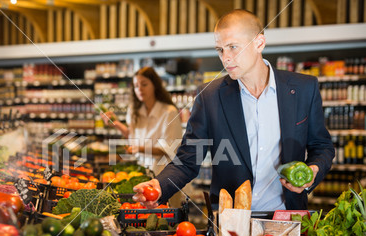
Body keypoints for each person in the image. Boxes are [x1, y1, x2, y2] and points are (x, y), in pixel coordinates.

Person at [133, 9, 335, 211]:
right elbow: (188, 159)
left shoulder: (303, 88)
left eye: (232, 47)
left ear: (259, 43)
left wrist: (312, 171)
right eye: (220, 50)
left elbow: (322, 145)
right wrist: (159, 185)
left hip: (287, 214)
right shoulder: (209, 96)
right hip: (230, 218)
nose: (225, 58)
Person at [101, 66, 184, 205]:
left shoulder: (169, 112)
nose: (139, 89)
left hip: (165, 177)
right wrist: (116, 124)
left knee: (166, 217)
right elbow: (132, 136)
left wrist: (139, 149)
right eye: (136, 85)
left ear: (155, 86)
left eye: (144, 84)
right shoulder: (134, 110)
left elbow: (169, 148)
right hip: (143, 175)